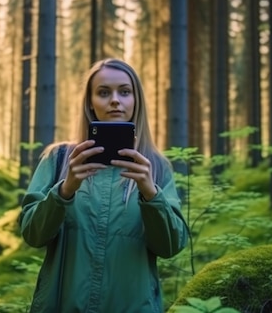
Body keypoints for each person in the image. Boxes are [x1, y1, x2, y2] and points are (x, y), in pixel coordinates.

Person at [19, 58, 188, 313]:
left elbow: (170, 247)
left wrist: (150, 194)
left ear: (136, 101)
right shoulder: (60, 159)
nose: (115, 100)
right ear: (90, 102)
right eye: (103, 92)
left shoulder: (156, 166)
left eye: (125, 91)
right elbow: (32, 234)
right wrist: (64, 191)